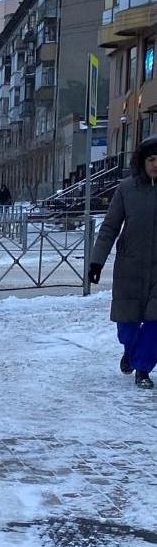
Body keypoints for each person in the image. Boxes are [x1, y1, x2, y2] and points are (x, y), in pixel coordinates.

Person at [90, 135, 157, 389]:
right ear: (142, 161)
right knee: (126, 327)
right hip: (130, 269)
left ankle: (143, 368)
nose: (155, 164)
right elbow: (109, 228)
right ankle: (130, 350)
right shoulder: (126, 189)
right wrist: (96, 262)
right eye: (151, 159)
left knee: (154, 325)